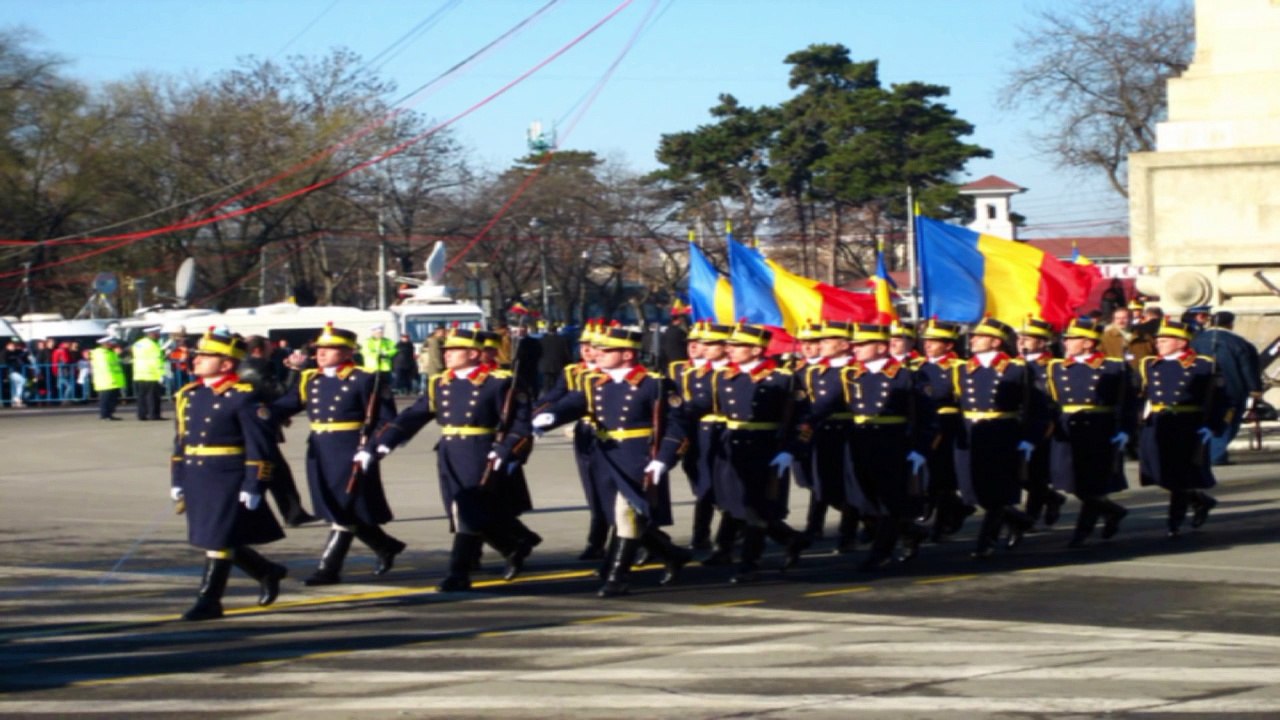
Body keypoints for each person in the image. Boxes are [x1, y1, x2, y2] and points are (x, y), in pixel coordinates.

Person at [532, 325, 692, 598]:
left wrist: (664, 459)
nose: (598, 354)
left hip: (636, 455)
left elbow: (677, 425)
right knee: (616, 515)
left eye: (606, 350)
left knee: (625, 513)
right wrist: (551, 418)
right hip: (604, 455)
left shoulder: (654, 384)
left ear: (628, 354)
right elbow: (575, 402)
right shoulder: (595, 381)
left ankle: (617, 577)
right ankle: (673, 554)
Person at [373, 327, 536, 592]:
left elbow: (519, 424)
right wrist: (385, 442)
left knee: (467, 512)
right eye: (446, 350)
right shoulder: (441, 382)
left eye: (453, 350)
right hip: (449, 449)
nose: (446, 355)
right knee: (460, 509)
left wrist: (504, 450)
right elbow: (415, 414)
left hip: (479, 448)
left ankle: (458, 572)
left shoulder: (499, 382)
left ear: (473, 353)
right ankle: (513, 546)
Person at [272, 324, 405, 585]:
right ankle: (385, 545)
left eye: (329, 349)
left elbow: (386, 420)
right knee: (335, 506)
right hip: (320, 449)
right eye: (319, 349)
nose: (321, 353)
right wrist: (257, 413)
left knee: (343, 508)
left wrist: (371, 449)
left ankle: (328, 569)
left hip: (350, 448)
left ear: (347, 352)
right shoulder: (310, 378)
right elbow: (287, 405)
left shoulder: (365, 378)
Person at [170, 328, 287, 621]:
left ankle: (209, 600)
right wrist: (178, 479)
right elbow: (181, 441)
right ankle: (267, 571)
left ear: (226, 364)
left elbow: (260, 445)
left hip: (227, 475)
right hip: (199, 474)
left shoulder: (242, 397)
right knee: (214, 536)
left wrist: (255, 482)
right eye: (197, 355)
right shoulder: (189, 395)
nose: (196, 360)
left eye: (206, 356)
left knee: (217, 539)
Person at [683, 323, 810, 584]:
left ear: (755, 350)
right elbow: (701, 404)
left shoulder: (782, 379)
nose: (729, 349)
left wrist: (790, 450)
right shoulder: (723, 376)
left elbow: (802, 420)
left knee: (754, 508)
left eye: (737, 346)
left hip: (765, 447)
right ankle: (790, 539)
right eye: (728, 345)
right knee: (732, 503)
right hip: (731, 446)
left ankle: (750, 563)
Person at [835, 323, 934, 570]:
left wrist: (920, 449)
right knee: (863, 500)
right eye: (855, 344)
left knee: (889, 500)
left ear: (881, 347)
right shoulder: (852, 375)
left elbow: (928, 416)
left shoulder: (906, 375)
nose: (855, 349)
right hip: (860, 443)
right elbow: (826, 405)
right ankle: (909, 530)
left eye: (862, 345)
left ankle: (882, 552)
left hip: (893, 443)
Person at [952, 318, 1046, 557]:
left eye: (979, 336)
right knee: (972, 491)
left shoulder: (1016, 369)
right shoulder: (962, 368)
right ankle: (1019, 520)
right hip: (971, 433)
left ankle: (986, 542)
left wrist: (1029, 438)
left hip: (1001, 434)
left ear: (995, 342)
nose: (972, 340)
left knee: (995, 492)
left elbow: (1036, 408)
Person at [1045, 318, 1134, 547]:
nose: (1066, 343)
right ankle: (1113, 511)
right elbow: (1052, 402)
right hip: (1068, 428)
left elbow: (1128, 402)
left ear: (1087, 343)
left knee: (1091, 484)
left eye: (1072, 339)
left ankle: (1081, 533)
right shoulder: (1056, 367)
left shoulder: (1114, 367)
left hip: (1099, 429)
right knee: (1070, 481)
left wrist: (1125, 430)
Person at [1138, 318, 1229, 537]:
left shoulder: (1204, 365)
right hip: (1158, 423)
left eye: (1165, 339)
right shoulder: (1149, 364)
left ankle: (1174, 523)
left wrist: (1212, 426)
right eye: (1158, 339)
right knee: (1158, 473)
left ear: (1181, 342)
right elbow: (1140, 394)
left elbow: (1222, 400)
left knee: (1178, 477)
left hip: (1187, 425)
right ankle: (1200, 500)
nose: (1158, 343)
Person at [535, 320, 609, 561]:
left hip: (612, 435)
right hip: (586, 433)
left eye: (593, 345)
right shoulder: (572, 372)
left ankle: (635, 540)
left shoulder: (613, 374)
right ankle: (597, 541)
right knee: (593, 489)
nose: (587, 350)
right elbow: (554, 399)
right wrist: (533, 415)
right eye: (583, 345)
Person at [674, 322, 737, 560]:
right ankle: (700, 535)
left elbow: (702, 402)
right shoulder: (694, 372)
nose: (703, 347)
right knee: (702, 487)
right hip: (700, 434)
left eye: (712, 344)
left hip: (726, 433)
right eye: (703, 343)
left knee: (725, 489)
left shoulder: (734, 373)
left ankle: (725, 543)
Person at [240, 335, 317, 527]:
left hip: (261, 423)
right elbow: (278, 392)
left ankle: (294, 513)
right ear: (257, 350)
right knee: (267, 470)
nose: (272, 350)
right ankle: (264, 514)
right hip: (256, 427)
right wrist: (294, 370)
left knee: (278, 472)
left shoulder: (256, 364)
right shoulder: (255, 367)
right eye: (268, 347)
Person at [799, 320, 860, 553]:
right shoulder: (816, 372)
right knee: (824, 487)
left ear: (844, 345)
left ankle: (848, 535)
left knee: (848, 487)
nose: (821, 344)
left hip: (846, 434)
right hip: (821, 435)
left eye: (827, 340)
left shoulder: (854, 371)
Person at [915, 318, 975, 541]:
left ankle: (942, 524)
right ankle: (956, 510)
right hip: (925, 427)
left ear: (949, 345)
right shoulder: (918, 367)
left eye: (934, 341)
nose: (927, 345)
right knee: (929, 478)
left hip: (948, 427)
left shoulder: (959, 368)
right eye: (926, 341)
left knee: (943, 479)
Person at [1190, 311, 1263, 465]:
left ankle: (1203, 453)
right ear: (1230, 324)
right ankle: (1215, 455)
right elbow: (1248, 368)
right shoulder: (1239, 343)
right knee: (1227, 422)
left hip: (1201, 389)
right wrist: (1255, 388)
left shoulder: (1195, 341)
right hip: (1231, 390)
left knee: (1203, 421)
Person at [1016, 316, 1066, 528]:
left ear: (1042, 341)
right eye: (1020, 337)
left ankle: (1031, 515)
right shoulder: (1013, 363)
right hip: (1016, 423)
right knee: (1018, 474)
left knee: (1035, 474)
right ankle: (1052, 498)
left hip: (1042, 423)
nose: (1022, 341)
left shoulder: (1052, 366)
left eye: (1028, 338)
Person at [132, 326, 167, 420]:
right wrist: (161, 374)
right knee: (153, 397)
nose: (158, 335)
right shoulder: (153, 345)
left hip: (139, 374)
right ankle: (154, 415)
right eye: (157, 333)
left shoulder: (138, 343)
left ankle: (142, 415)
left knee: (142, 397)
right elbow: (157, 361)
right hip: (151, 374)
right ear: (152, 334)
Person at [91, 337, 126, 420]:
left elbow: (117, 363)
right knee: (105, 399)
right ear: (105, 344)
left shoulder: (111, 353)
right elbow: (105, 367)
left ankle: (109, 414)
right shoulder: (100, 353)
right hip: (106, 380)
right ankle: (105, 415)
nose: (113, 345)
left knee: (113, 399)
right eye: (110, 343)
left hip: (113, 380)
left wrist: (118, 354)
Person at [537, 324, 573, 396]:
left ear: (548, 330)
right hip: (559, 364)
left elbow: (537, 353)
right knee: (557, 382)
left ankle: (547, 397)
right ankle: (556, 397)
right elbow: (567, 353)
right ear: (556, 330)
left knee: (546, 382)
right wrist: (569, 362)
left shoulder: (541, 340)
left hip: (545, 365)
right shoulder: (562, 340)